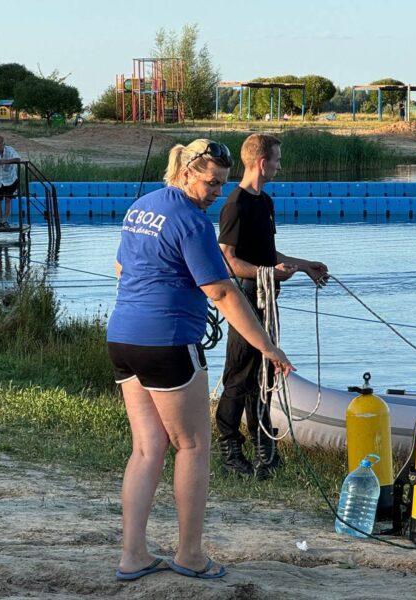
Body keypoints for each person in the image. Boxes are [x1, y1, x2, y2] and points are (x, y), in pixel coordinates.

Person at [106, 138, 294, 582]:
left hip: (123, 337)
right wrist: (268, 346)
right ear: (188, 171)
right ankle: (190, 555)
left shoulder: (142, 207)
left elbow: (120, 269)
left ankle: (132, 555)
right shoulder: (191, 222)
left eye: (223, 184)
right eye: (211, 183)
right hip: (168, 342)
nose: (215, 192)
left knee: (147, 447)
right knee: (192, 445)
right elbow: (224, 292)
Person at [216, 133, 329, 478]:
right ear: (263, 163)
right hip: (245, 298)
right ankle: (230, 450)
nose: (280, 166)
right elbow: (229, 262)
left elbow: (270, 256)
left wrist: (305, 265)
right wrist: (268, 273)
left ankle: (266, 451)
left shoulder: (264, 202)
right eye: (277, 160)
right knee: (238, 376)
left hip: (267, 297)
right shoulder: (235, 204)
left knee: (263, 374)